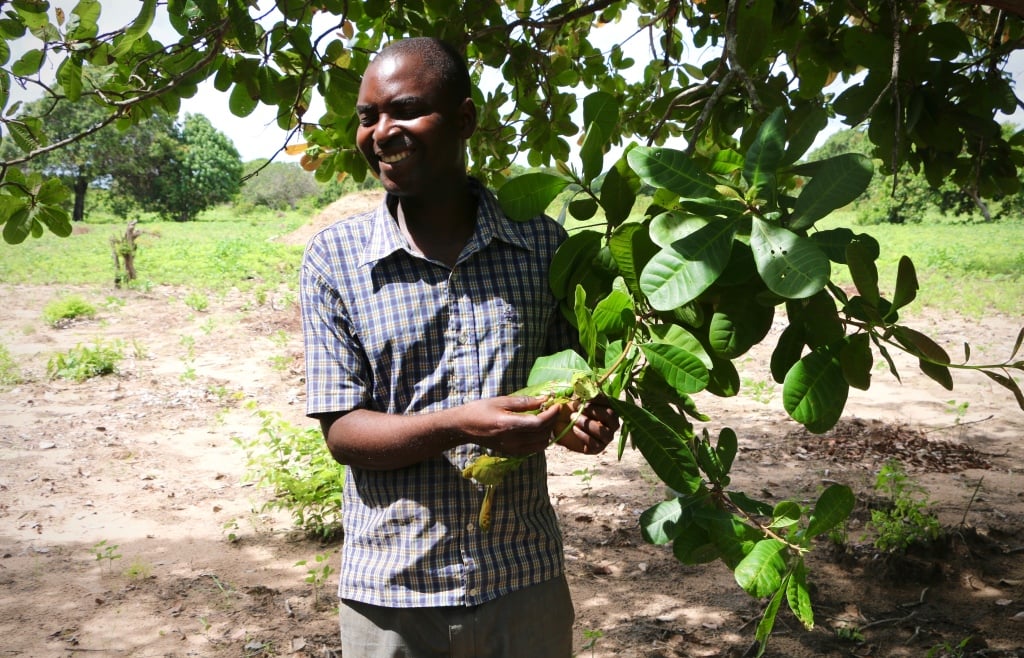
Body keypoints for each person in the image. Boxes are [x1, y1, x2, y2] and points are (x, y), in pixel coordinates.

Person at [299, 36, 619, 658]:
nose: (381, 132)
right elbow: (343, 433)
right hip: (392, 596)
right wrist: (461, 427)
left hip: (522, 584)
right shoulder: (334, 261)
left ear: (466, 119)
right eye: (368, 118)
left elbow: (573, 381)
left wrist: (580, 422)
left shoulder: (542, 246)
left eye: (405, 110)